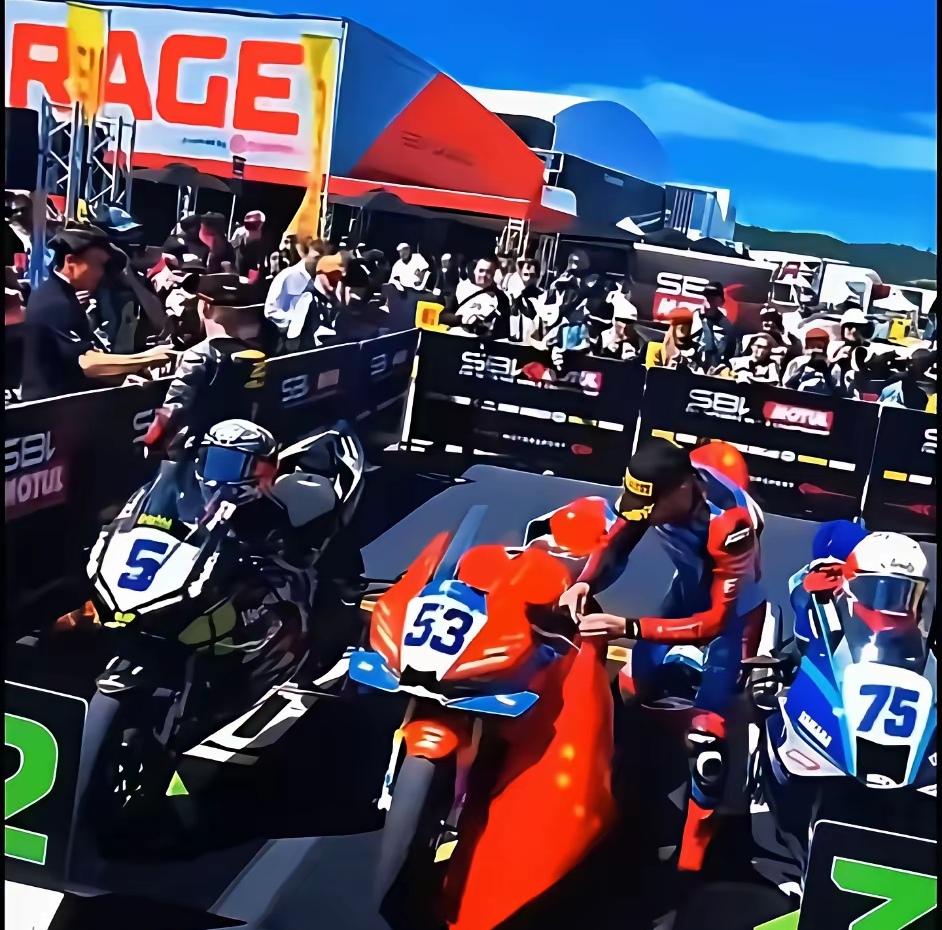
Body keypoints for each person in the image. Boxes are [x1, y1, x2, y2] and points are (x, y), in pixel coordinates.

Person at [559, 438, 766, 872]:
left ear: (682, 490)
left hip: (732, 617)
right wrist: (584, 582)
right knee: (631, 688)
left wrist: (629, 627)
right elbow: (617, 540)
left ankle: (692, 859)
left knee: (708, 737)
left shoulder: (729, 526)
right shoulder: (654, 492)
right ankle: (605, 798)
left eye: (650, 507)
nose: (643, 514)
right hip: (688, 590)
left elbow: (713, 622)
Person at [193, 418, 367, 678]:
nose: (216, 476)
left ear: (262, 469)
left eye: (229, 465)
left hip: (293, 606)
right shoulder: (195, 497)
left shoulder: (302, 500)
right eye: (212, 461)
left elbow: (297, 560)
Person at [143, 274, 279, 460]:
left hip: (200, 451)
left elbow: (174, 410)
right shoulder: (256, 354)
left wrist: (151, 442)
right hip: (242, 449)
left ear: (205, 308)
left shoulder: (199, 355)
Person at [20, 223, 116, 400]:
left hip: (59, 403)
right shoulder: (55, 302)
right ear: (71, 261)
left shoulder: (56, 292)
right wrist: (148, 358)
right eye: (97, 264)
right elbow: (87, 363)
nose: (101, 273)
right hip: (49, 407)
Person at [264, 237, 331, 343]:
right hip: (288, 338)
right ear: (305, 254)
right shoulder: (288, 277)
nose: (320, 262)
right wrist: (295, 321)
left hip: (318, 336)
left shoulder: (324, 277)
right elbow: (271, 312)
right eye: (317, 257)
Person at [440, 256, 510, 338]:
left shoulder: (501, 297)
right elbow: (443, 317)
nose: (484, 275)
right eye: (481, 270)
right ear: (475, 271)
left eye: (489, 272)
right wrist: (463, 319)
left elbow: (505, 323)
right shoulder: (461, 288)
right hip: (458, 336)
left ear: (495, 273)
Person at [782, 328, 845, 395]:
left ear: (826, 347)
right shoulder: (798, 362)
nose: (815, 350)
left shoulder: (834, 368)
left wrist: (826, 372)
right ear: (806, 346)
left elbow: (837, 390)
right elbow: (787, 386)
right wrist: (803, 368)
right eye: (812, 346)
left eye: (819, 347)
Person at [691, 282, 738, 370]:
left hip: (713, 370)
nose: (709, 299)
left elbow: (730, 354)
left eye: (714, 296)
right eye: (706, 295)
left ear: (721, 301)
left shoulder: (727, 328)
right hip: (690, 368)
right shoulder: (692, 318)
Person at [597, 284, 641, 361]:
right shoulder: (605, 335)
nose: (625, 325)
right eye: (622, 321)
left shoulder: (634, 338)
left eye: (628, 322)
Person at [508, 257, 543, 343]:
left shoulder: (544, 297)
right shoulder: (516, 298)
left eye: (532, 275)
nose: (528, 279)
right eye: (526, 275)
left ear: (538, 276)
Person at [230, 210, 271, 280]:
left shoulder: (264, 238)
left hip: (255, 266)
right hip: (240, 266)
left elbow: (263, 261)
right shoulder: (240, 231)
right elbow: (232, 245)